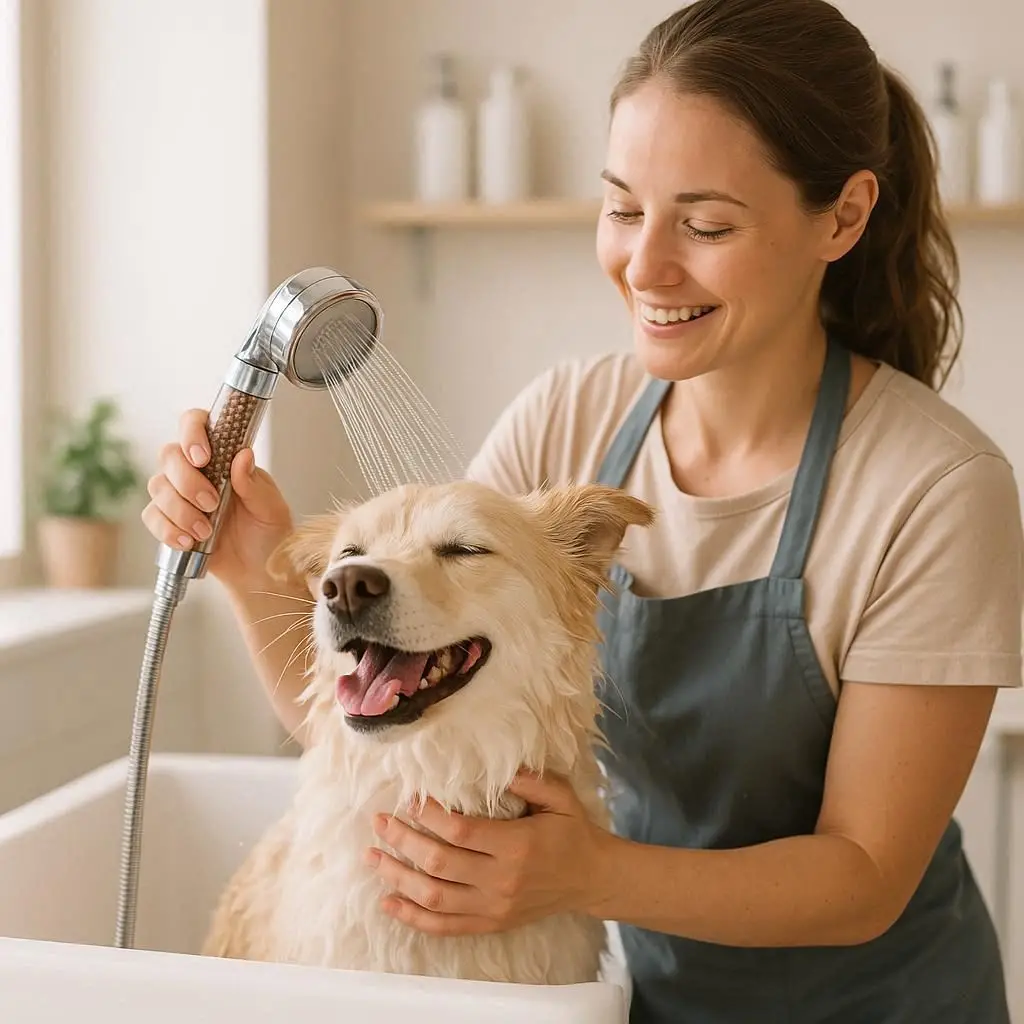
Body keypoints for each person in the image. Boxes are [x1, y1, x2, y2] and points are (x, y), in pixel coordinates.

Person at [142, 0, 1024, 1020]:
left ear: (843, 214)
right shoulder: (570, 418)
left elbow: (864, 872)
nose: (643, 267)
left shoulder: (933, 487)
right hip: (643, 1001)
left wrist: (585, 874)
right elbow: (403, 730)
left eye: (704, 224)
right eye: (620, 208)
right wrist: (251, 568)